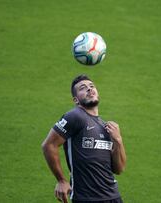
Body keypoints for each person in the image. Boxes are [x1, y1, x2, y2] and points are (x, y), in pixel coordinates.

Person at [42, 74, 127, 203]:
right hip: (86, 198)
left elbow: (118, 169)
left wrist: (118, 141)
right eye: (83, 88)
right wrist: (61, 180)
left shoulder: (106, 127)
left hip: (113, 197)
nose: (89, 89)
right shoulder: (75, 116)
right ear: (76, 100)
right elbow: (49, 145)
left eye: (92, 86)